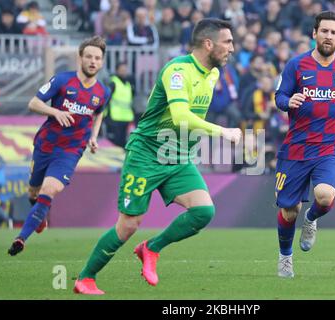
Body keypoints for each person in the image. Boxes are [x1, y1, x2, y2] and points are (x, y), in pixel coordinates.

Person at [74, 18, 241, 295]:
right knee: (128, 225)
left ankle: (151, 248)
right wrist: (222, 131)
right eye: (228, 42)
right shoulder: (177, 71)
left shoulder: (212, 74)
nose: (232, 48)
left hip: (177, 156)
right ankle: (85, 278)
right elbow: (179, 115)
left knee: (203, 211)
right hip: (147, 154)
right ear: (208, 43)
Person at [274, 11, 335, 278]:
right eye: (324, 31)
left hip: (329, 146)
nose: (329, 36)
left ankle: (312, 219)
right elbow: (279, 95)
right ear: (314, 34)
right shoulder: (297, 65)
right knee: (289, 209)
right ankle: (285, 257)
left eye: (334, 32)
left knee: (325, 196)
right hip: (296, 147)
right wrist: (288, 101)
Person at [7, 36, 110, 256]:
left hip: (71, 151)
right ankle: (40, 216)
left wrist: (93, 136)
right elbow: (33, 103)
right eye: (89, 56)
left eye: (97, 58)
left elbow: (99, 112)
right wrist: (56, 111)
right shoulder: (62, 81)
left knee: (50, 189)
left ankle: (20, 238)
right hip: (46, 144)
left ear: (101, 62)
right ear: (80, 58)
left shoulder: (103, 92)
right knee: (34, 192)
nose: (93, 61)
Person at [104, 61, 135, 148]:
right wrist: (104, 115)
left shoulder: (128, 84)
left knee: (124, 144)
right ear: (117, 71)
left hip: (126, 118)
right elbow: (106, 99)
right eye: (122, 70)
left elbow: (129, 101)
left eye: (125, 70)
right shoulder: (113, 83)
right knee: (115, 143)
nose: (124, 72)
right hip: (115, 118)